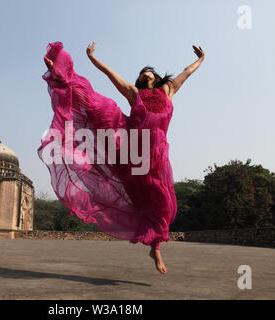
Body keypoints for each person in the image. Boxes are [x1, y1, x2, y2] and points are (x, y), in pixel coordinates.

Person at [39, 41, 205, 274]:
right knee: (97, 105)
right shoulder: (134, 93)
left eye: (147, 72)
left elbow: (186, 73)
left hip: (156, 155)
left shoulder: (168, 91)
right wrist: (91, 58)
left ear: (155, 77)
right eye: (141, 73)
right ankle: (61, 75)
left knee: (164, 204)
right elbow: (110, 74)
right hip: (132, 153)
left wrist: (201, 59)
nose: (143, 73)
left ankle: (155, 247)